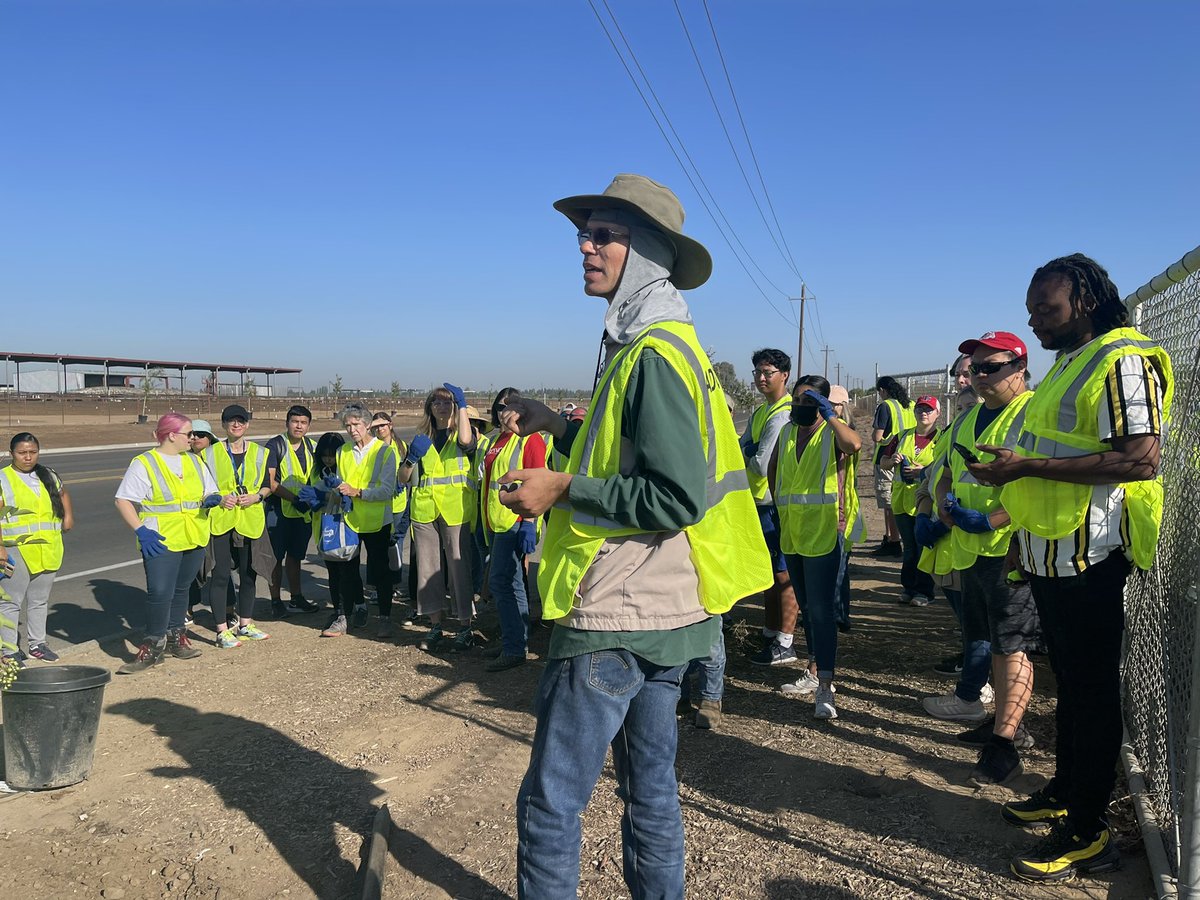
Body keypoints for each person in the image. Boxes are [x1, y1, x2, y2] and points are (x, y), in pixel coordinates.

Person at [496, 173, 772, 898]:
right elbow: (632, 455)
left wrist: (561, 487)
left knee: (553, 803)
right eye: (584, 234)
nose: (584, 247)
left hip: (617, 614)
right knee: (649, 793)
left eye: (603, 235)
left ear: (645, 252)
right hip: (668, 612)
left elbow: (673, 495)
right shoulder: (662, 344)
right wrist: (559, 429)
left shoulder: (651, 354)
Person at [968, 254, 1172, 882]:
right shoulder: (1070, 361)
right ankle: (1065, 790)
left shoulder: (1123, 360)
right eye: (1031, 311)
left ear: (1083, 300)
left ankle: (1089, 831)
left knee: (1091, 692)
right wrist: (1019, 504)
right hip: (1050, 552)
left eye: (1046, 309)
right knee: (1073, 689)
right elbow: (1057, 450)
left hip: (1090, 558)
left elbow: (1140, 458)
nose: (1036, 321)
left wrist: (1027, 467)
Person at [919, 331, 1041, 791]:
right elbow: (947, 473)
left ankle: (1006, 743)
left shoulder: (1032, 414)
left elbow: (1042, 486)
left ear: (1020, 367)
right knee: (987, 638)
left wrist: (994, 520)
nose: (979, 376)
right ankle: (1003, 722)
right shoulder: (969, 418)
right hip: (972, 549)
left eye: (991, 367)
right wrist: (945, 505)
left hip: (1011, 550)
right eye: (975, 368)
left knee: (1011, 644)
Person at [770, 377, 863, 717]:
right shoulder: (787, 433)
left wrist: (831, 415)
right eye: (797, 400)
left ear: (823, 404)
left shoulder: (831, 434)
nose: (801, 407)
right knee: (808, 607)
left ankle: (825, 685)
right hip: (794, 533)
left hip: (824, 532)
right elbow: (774, 471)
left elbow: (854, 444)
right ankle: (813, 669)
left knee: (822, 610)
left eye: (810, 401)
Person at [114, 413, 219, 674]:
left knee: (182, 589)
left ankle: (176, 636)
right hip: (160, 538)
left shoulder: (194, 460)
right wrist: (141, 531)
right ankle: (153, 645)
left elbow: (209, 489)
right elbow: (123, 500)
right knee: (160, 592)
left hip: (193, 534)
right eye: (189, 434)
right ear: (172, 435)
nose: (193, 438)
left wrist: (212, 498)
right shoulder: (144, 463)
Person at [403, 384, 477, 652]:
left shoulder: (462, 434)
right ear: (429, 408)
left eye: (448, 403)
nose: (442, 407)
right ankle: (435, 626)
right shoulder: (421, 438)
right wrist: (411, 458)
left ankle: (465, 627)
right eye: (437, 402)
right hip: (425, 511)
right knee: (428, 570)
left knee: (459, 570)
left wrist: (463, 405)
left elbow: (467, 442)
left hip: (456, 510)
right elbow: (403, 478)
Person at [740, 348, 801, 667]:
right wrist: (748, 450)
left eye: (768, 373)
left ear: (784, 375)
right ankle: (771, 630)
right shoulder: (762, 412)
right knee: (768, 571)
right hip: (758, 501)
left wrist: (749, 452)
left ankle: (785, 641)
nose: (761, 378)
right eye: (757, 373)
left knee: (782, 571)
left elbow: (760, 464)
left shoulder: (783, 414)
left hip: (774, 502)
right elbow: (741, 447)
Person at [479, 388, 546, 672]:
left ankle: (514, 647)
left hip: (515, 522)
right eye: (500, 407)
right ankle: (515, 642)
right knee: (512, 583)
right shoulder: (496, 441)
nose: (504, 412)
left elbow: (538, 482)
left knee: (501, 583)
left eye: (511, 406)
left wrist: (528, 523)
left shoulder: (530, 439)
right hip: (495, 521)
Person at [204, 404, 273, 648]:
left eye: (241, 421)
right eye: (231, 421)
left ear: (247, 424)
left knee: (248, 574)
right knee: (221, 574)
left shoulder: (260, 452)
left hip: (249, 518)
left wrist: (257, 497)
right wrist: (219, 498)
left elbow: (267, 485)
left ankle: (246, 624)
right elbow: (202, 487)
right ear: (224, 424)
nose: (236, 424)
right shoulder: (209, 453)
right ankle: (222, 630)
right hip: (222, 518)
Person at [0, 433, 73, 663]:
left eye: (33, 452)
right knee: (11, 602)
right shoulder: (3, 478)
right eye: (22, 453)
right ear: (11, 453)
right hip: (15, 549)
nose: (28, 457)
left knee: (39, 599)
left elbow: (62, 493)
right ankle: (9, 651)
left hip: (48, 547)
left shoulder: (48, 474)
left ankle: (37, 644)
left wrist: (68, 517)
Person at [881, 395, 941, 606]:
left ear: (937, 413)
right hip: (902, 501)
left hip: (926, 501)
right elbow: (883, 462)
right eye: (920, 409)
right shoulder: (902, 435)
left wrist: (923, 471)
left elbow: (946, 466)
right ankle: (908, 588)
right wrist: (892, 460)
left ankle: (924, 591)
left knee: (923, 546)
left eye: (928, 409)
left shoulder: (941, 438)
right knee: (909, 548)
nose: (924, 413)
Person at [264, 405, 320, 618]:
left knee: (296, 556)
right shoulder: (276, 445)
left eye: (303, 422)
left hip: (303, 512)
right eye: (295, 421)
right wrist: (295, 499)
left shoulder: (312, 446)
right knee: (275, 558)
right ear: (287, 423)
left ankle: (296, 597)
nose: (299, 426)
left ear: (309, 425)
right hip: (279, 510)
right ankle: (276, 601)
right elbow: (270, 481)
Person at [366, 411, 410, 632]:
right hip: (379, 504)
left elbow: (410, 471)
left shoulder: (401, 447)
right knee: (378, 547)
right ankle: (378, 587)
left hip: (398, 503)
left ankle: (394, 584)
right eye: (376, 426)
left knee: (396, 545)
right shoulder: (372, 447)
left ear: (391, 425)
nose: (380, 429)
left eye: (383, 425)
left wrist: (403, 484)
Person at [871, 375, 915, 556]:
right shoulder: (911, 405)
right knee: (905, 499)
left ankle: (893, 540)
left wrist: (887, 440)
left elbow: (877, 436)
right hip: (909, 457)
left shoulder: (886, 406)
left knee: (888, 501)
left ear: (882, 390)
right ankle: (896, 538)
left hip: (887, 458)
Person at [184, 419, 217, 626]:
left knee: (219, 569)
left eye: (201, 435)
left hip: (218, 520)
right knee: (190, 569)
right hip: (193, 522)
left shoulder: (218, 457)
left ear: (210, 438)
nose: (195, 438)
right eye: (192, 434)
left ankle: (225, 611)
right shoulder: (182, 459)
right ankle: (187, 609)